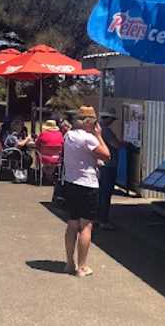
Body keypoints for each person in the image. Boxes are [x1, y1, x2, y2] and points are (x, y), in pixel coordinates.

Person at [62, 106, 110, 277]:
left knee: (72, 223)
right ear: (89, 122)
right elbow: (106, 155)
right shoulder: (89, 138)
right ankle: (82, 267)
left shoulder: (69, 135)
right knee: (86, 226)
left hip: (70, 182)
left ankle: (69, 263)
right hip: (87, 184)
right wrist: (99, 135)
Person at [97, 110, 124, 230]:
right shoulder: (106, 130)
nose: (112, 122)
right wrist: (124, 144)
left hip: (100, 164)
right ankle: (103, 220)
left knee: (100, 193)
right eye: (112, 120)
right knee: (105, 194)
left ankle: (98, 218)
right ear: (107, 119)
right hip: (108, 165)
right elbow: (116, 144)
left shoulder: (96, 130)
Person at [0, 117, 32, 182]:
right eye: (19, 125)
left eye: (21, 126)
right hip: (8, 153)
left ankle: (23, 174)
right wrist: (27, 139)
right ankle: (19, 174)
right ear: (14, 126)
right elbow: (19, 145)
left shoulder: (19, 135)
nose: (21, 127)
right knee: (24, 157)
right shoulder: (11, 135)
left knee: (27, 157)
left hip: (17, 152)